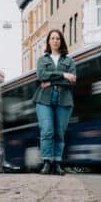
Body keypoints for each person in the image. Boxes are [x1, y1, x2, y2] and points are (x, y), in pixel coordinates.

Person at [33, 30, 77, 175]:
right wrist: (63, 75)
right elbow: (41, 76)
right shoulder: (42, 60)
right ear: (49, 41)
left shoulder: (69, 61)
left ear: (61, 41)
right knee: (47, 130)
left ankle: (57, 163)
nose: (55, 40)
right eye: (52, 38)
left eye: (58, 38)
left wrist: (50, 80)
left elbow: (72, 81)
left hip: (64, 99)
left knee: (59, 132)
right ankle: (47, 162)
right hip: (44, 99)